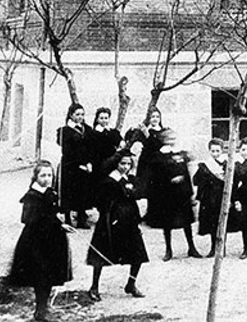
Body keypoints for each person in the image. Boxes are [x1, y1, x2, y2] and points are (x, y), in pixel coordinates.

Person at [8, 160, 73, 322]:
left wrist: (60, 221)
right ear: (35, 177)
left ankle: (44, 306)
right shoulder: (32, 197)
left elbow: (52, 213)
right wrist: (57, 223)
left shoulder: (49, 192)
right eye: (43, 175)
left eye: (50, 175)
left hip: (52, 239)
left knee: (50, 274)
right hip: (36, 242)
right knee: (40, 275)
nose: (47, 178)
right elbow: (28, 219)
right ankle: (40, 309)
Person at [87, 151, 149, 300]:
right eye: (123, 164)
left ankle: (131, 284)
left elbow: (139, 193)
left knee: (137, 254)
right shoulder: (109, 181)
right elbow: (101, 202)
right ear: (116, 164)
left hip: (129, 221)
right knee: (101, 255)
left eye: (128, 164)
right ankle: (94, 287)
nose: (126, 167)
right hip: (111, 221)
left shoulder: (130, 179)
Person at [143, 127, 200, 261]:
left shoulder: (180, 154)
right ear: (163, 140)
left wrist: (190, 192)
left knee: (186, 221)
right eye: (169, 139)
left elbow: (186, 173)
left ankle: (191, 247)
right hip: (167, 194)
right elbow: (156, 176)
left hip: (181, 193)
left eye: (174, 138)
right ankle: (169, 250)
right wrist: (169, 180)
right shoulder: (158, 156)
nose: (172, 141)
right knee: (167, 223)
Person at [193, 138, 235, 257]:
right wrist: (207, 176)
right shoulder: (205, 165)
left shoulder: (227, 164)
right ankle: (213, 248)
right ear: (209, 151)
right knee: (212, 224)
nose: (215, 154)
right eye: (213, 151)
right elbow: (195, 181)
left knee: (223, 223)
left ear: (222, 150)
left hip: (222, 197)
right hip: (209, 198)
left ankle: (222, 247)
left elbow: (233, 181)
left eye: (218, 151)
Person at [57, 103, 94, 228]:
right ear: (71, 115)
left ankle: (81, 218)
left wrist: (88, 162)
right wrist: (79, 164)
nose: (80, 117)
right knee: (69, 192)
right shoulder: (64, 131)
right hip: (70, 166)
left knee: (82, 192)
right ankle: (67, 219)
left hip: (84, 166)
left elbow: (90, 149)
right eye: (77, 114)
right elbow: (67, 151)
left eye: (82, 114)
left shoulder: (87, 129)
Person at [126, 107, 165, 182]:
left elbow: (157, 146)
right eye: (153, 117)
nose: (155, 119)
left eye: (157, 117)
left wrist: (147, 135)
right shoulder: (145, 131)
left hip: (157, 161)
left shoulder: (163, 132)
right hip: (145, 160)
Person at [88, 107, 122, 183]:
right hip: (99, 163)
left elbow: (120, 142)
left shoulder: (113, 132)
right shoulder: (93, 133)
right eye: (101, 118)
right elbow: (91, 150)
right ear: (97, 119)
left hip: (113, 162)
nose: (104, 120)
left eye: (106, 118)